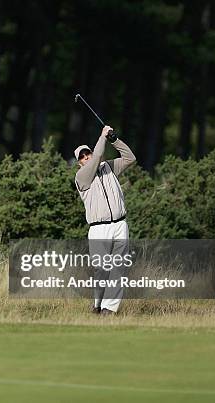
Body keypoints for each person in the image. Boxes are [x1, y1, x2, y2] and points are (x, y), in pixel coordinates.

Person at [74, 126, 136, 315]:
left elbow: (130, 158)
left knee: (118, 268)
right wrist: (101, 137)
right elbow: (98, 157)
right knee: (101, 270)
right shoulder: (82, 177)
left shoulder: (109, 167)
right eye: (83, 157)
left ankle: (109, 309)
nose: (87, 158)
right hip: (99, 229)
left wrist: (114, 140)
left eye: (88, 154)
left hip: (119, 224)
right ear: (79, 163)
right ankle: (98, 305)